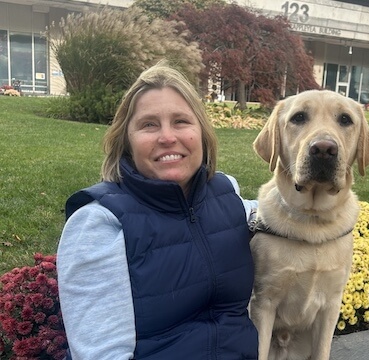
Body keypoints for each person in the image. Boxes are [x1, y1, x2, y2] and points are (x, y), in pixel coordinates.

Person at [57, 62, 259, 360]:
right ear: (126, 141)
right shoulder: (100, 224)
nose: (167, 137)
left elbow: (276, 216)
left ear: (202, 133)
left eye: (180, 121)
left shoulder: (226, 193)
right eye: (149, 124)